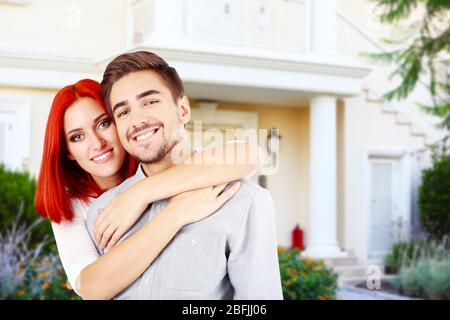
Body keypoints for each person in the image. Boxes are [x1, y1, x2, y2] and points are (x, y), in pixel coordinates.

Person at [35, 79, 263, 300]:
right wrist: (176, 213)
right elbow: (90, 287)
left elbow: (251, 155)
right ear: (67, 152)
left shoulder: (155, 158)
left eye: (104, 124)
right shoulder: (77, 206)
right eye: (78, 137)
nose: (97, 143)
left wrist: (139, 193)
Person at [86, 51, 283, 299]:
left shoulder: (244, 201)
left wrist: (140, 192)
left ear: (183, 109)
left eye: (149, 102)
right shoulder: (103, 212)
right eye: (123, 112)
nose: (137, 120)